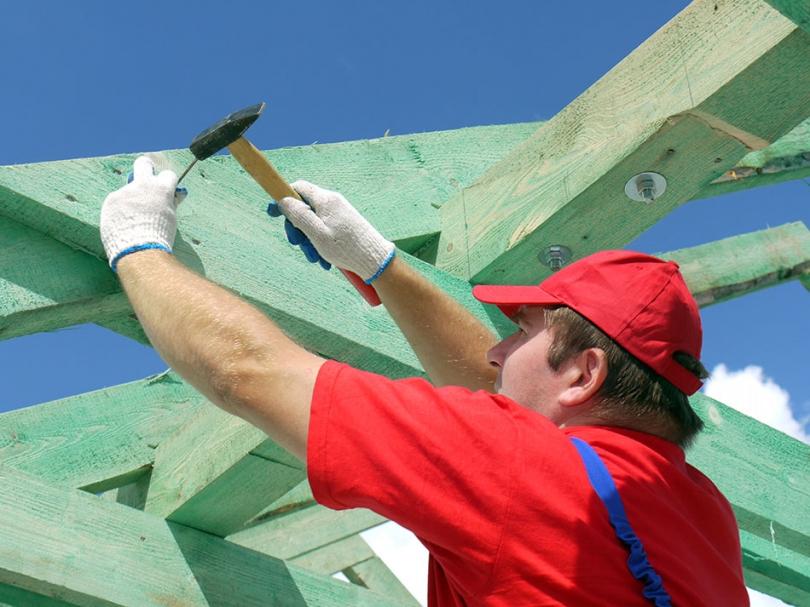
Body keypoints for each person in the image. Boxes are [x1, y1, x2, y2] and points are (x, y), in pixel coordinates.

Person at [100, 156, 748, 607]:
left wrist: (137, 246)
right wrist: (378, 263)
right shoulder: (700, 514)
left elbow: (245, 371)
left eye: (521, 332)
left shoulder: (521, 470)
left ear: (584, 372)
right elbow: (503, 415)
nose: (496, 349)